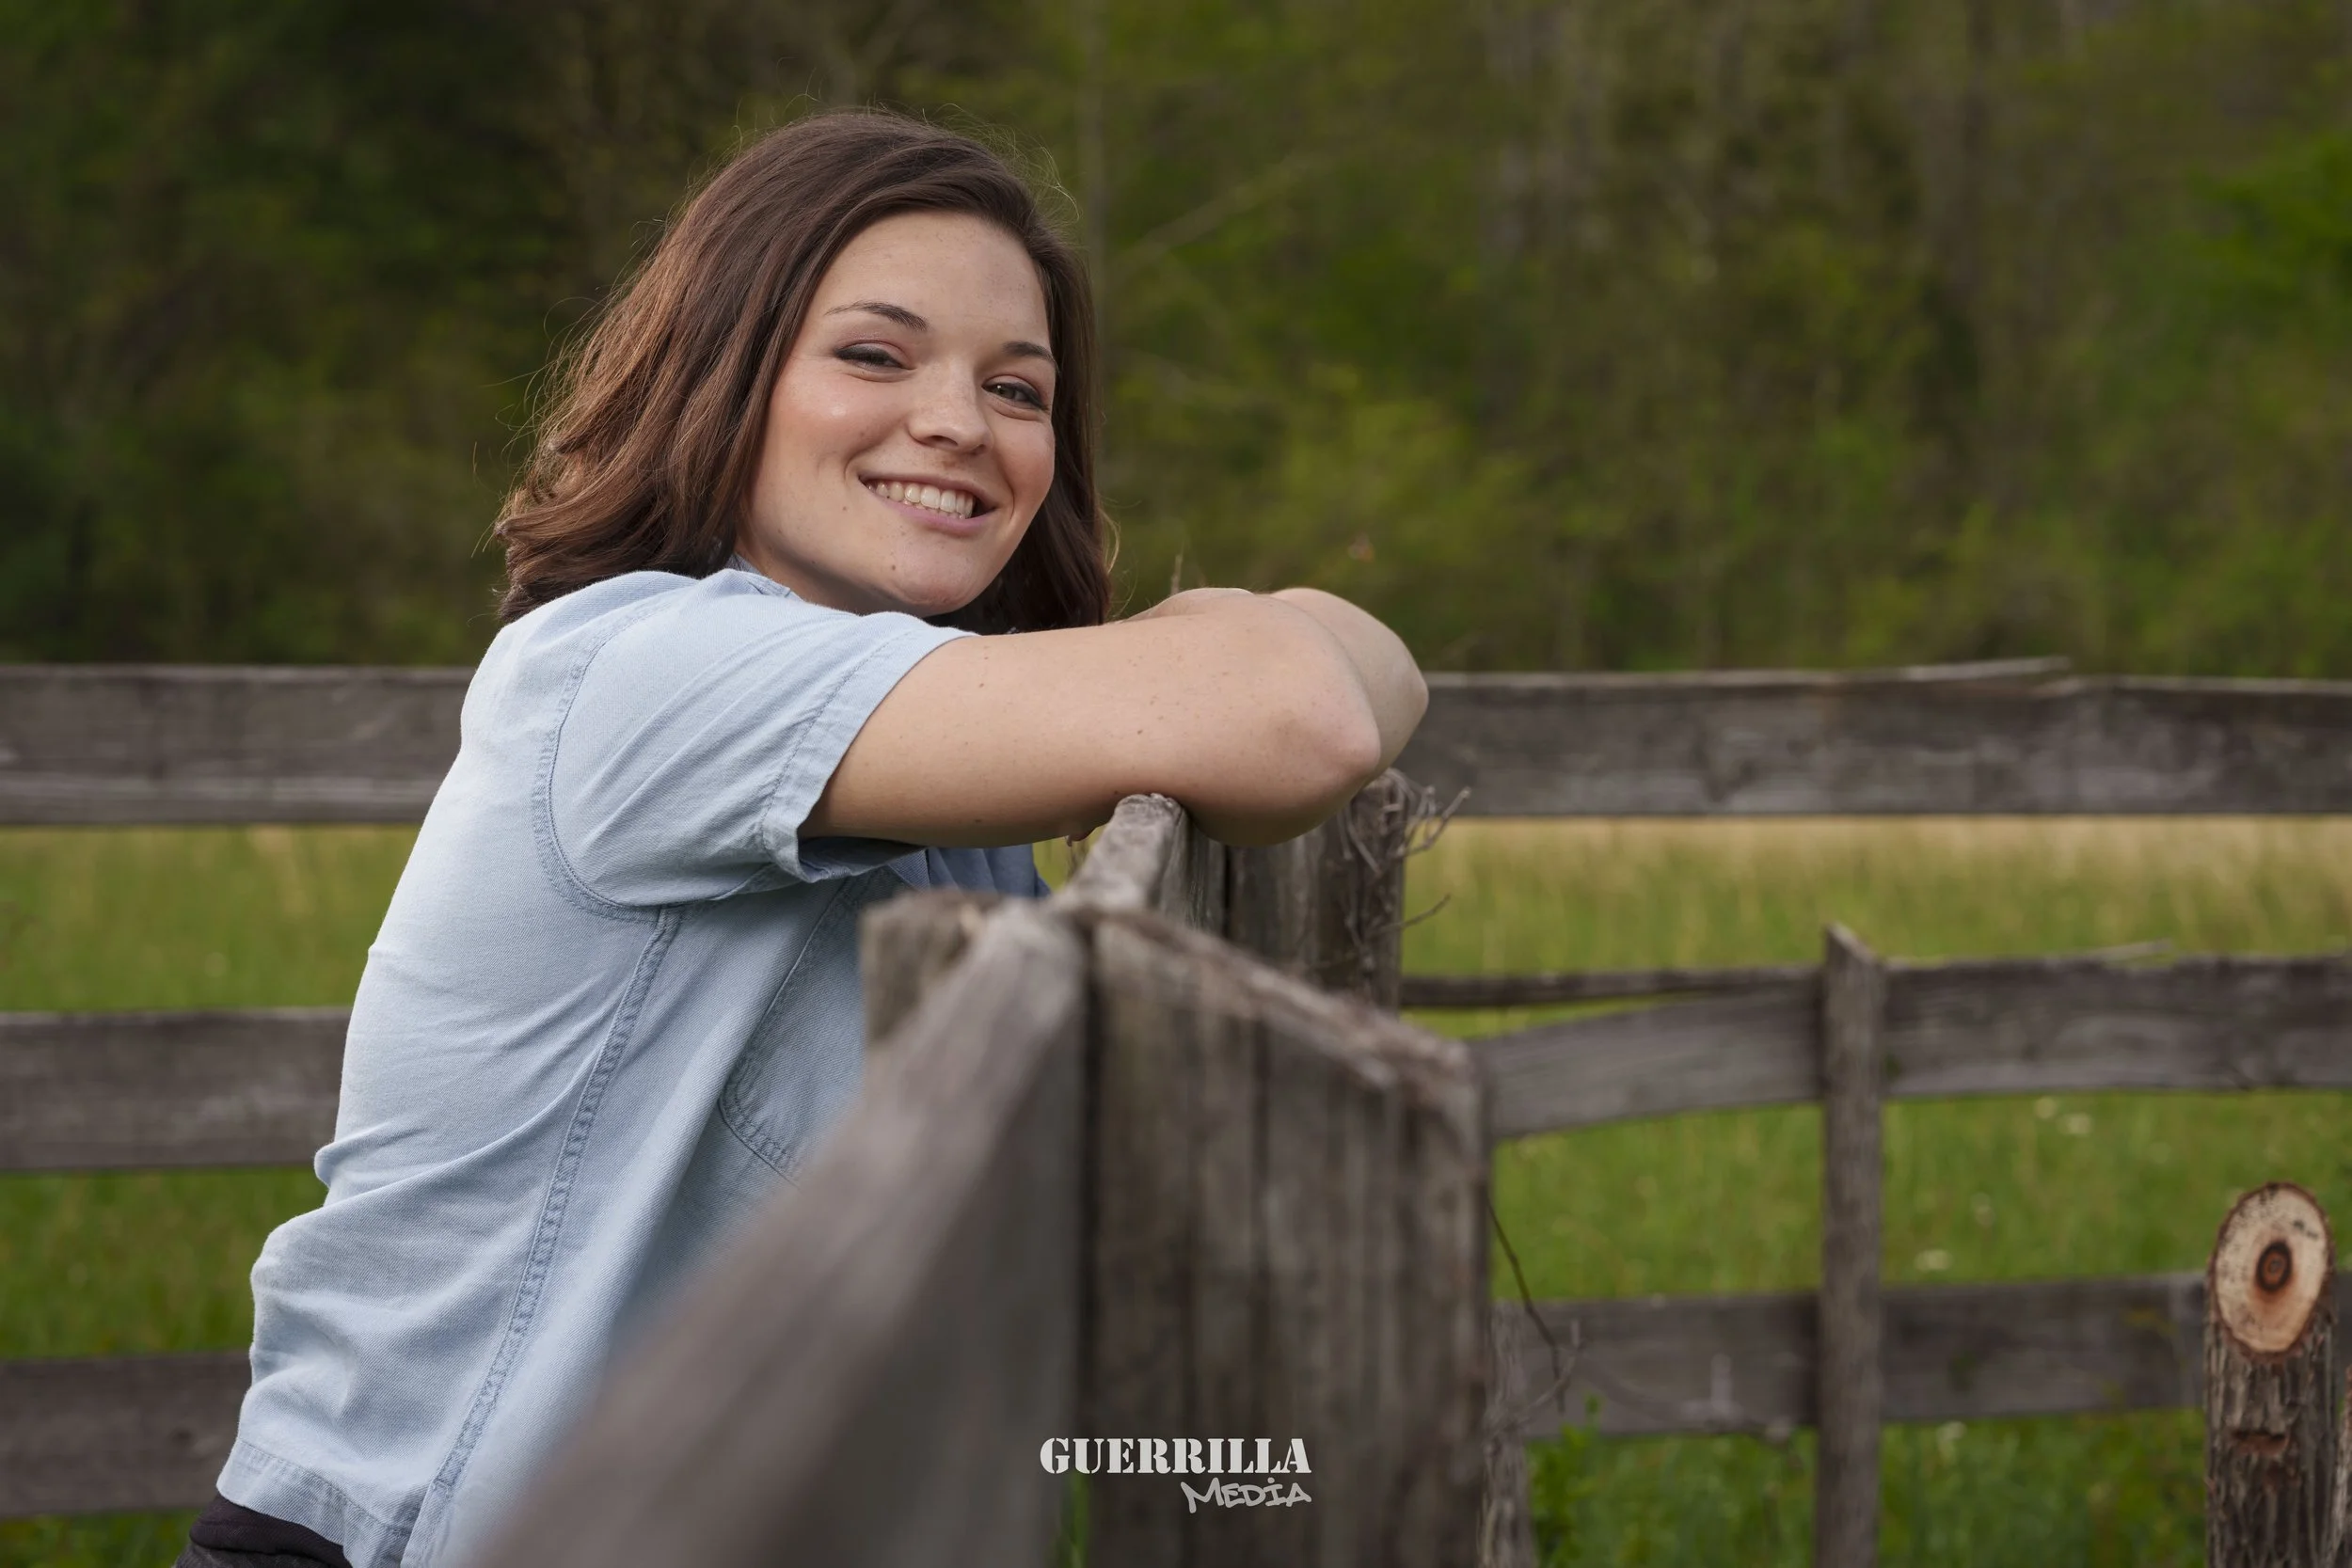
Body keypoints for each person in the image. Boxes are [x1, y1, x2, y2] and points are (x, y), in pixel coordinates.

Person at [179, 108, 1425, 1568]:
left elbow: (1375, 663)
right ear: (729, 374)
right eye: (875, 355)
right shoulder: (651, 667)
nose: (958, 419)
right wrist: (1224, 635)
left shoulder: (913, 726)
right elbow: (1310, 719)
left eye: (1016, 387)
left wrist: (1230, 640)